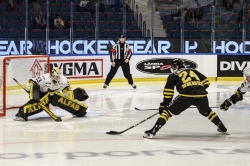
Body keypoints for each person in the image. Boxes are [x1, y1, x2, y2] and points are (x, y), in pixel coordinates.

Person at [143, 58, 228, 139]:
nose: (172, 69)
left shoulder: (173, 75)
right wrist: (197, 89)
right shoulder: (193, 70)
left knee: (167, 112)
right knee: (208, 112)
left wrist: (164, 105)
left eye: (173, 67)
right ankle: (222, 127)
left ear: (176, 67)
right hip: (202, 96)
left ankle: (153, 131)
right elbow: (206, 82)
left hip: (185, 97)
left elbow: (168, 93)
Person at [14, 67, 89, 121]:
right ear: (51, 75)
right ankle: (22, 112)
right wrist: (30, 87)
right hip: (41, 94)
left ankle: (80, 111)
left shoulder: (63, 80)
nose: (57, 78)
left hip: (53, 95)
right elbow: (32, 81)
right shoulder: (44, 78)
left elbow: (67, 93)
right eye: (55, 76)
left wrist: (76, 94)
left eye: (58, 77)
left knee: (61, 99)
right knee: (38, 106)